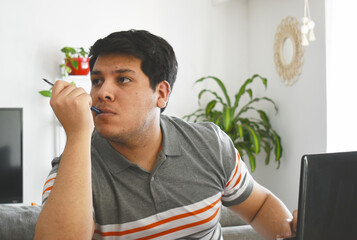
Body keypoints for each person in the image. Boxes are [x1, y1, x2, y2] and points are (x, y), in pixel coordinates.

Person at [34, 29, 297, 240]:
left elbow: (259, 204)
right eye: (97, 80)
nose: (102, 92)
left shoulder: (209, 144)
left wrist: (288, 230)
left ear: (161, 94)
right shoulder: (72, 167)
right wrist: (78, 135)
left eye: (123, 79)